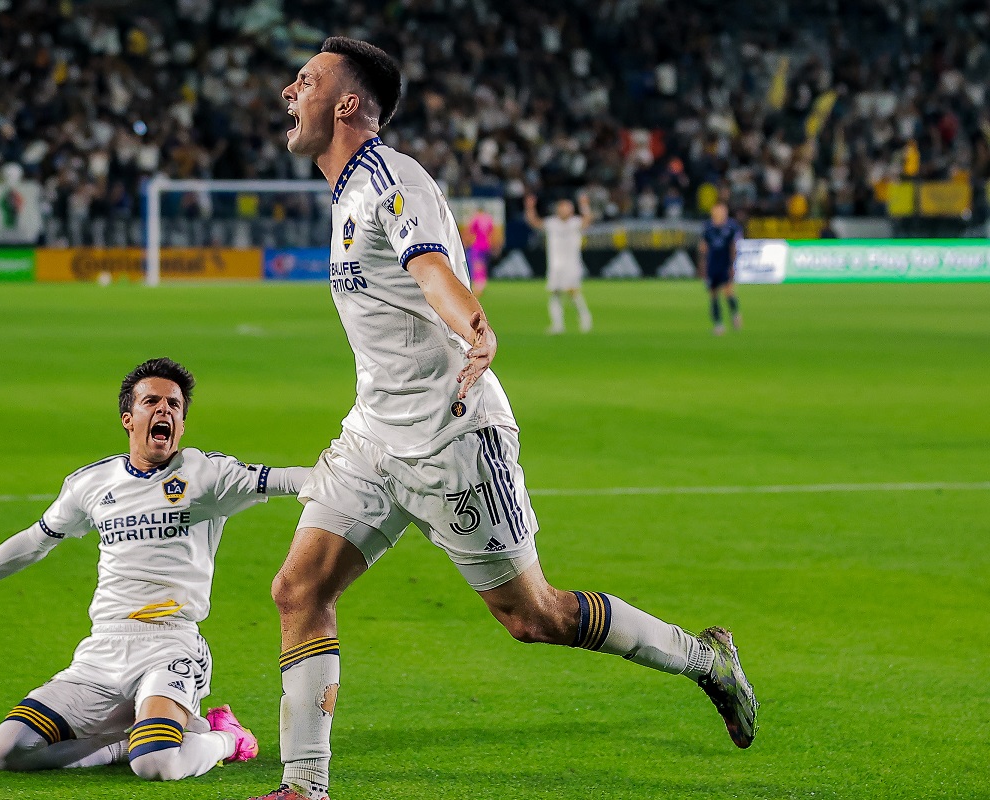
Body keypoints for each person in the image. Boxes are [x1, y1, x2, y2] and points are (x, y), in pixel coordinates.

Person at [253, 37, 758, 800]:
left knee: (534, 616)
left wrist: (477, 327)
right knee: (298, 591)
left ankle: (703, 657)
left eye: (306, 81)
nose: (289, 93)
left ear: (347, 103)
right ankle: (305, 787)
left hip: (452, 435)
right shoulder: (346, 190)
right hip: (372, 438)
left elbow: (433, 271)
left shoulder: (395, 180)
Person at [0, 357, 311, 782]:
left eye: (174, 404)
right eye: (152, 401)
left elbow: (293, 480)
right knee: (7, 751)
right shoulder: (91, 484)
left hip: (170, 645)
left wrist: (361, 477)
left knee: (156, 765)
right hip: (103, 651)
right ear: (128, 419)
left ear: (182, 425)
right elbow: (34, 541)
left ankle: (226, 737)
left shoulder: (207, 475)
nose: (164, 410)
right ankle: (122, 744)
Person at [525, 192, 594, 334]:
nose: (564, 210)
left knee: (572, 291)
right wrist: (530, 207)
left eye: (567, 208)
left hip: (572, 264)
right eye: (562, 208)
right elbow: (534, 222)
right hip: (555, 265)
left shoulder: (575, 222)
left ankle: (585, 317)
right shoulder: (552, 223)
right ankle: (557, 324)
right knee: (555, 293)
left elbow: (587, 220)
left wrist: (585, 205)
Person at [698, 201, 744, 335]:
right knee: (713, 294)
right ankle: (718, 324)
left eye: (722, 210)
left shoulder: (731, 227)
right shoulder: (707, 227)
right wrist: (702, 267)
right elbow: (703, 247)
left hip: (725, 263)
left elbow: (733, 247)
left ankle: (735, 313)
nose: (719, 213)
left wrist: (732, 265)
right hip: (713, 264)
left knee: (728, 292)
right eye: (717, 210)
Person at [462, 206, 497, 297]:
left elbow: (469, 232)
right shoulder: (489, 219)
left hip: (477, 245)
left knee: (477, 266)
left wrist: (465, 243)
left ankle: (477, 288)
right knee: (482, 266)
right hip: (486, 246)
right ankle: (481, 286)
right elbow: (492, 233)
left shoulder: (475, 218)